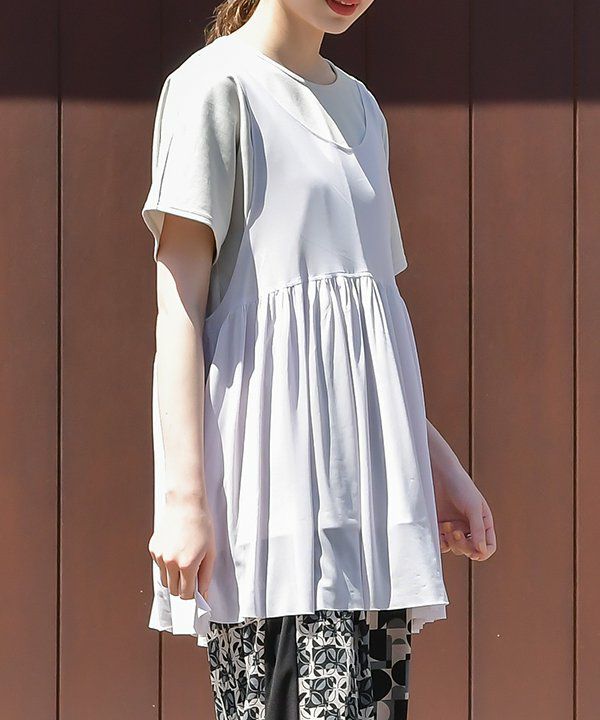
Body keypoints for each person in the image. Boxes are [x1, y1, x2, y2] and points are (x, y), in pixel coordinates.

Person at [141, 0, 497, 717]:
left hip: (368, 520)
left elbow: (364, 329)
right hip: (274, 509)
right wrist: (181, 501)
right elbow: (179, 311)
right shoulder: (215, 86)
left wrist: (439, 464)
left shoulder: (363, 110)